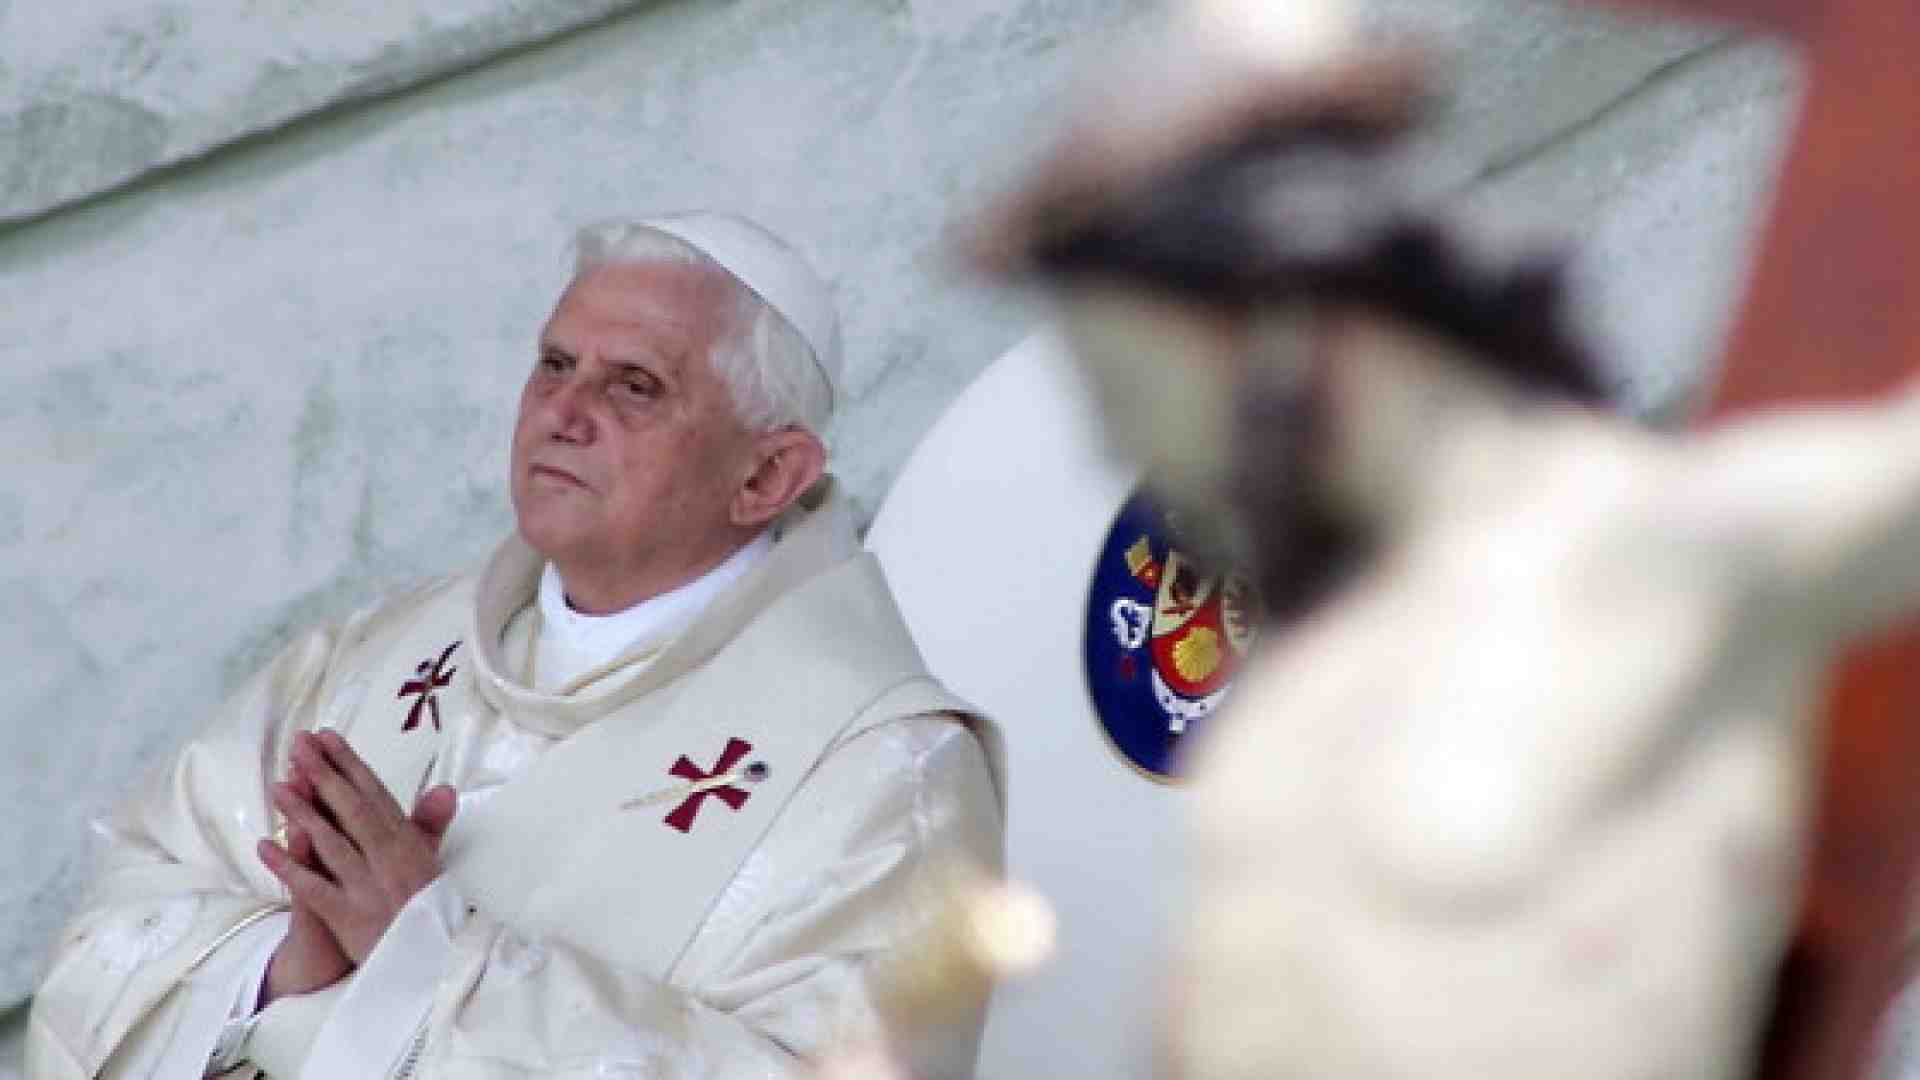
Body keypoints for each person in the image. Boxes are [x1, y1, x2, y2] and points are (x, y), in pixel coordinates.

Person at [972, 2, 1920, 1077]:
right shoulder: (1288, 709)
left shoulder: (1657, 550)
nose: (1126, 451)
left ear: (1301, 341)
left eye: (1139, 393)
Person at [27, 212, 1005, 1079]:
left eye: (635, 386)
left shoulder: (885, 777)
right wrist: (280, 966)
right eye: (554, 364)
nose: (562, 414)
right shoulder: (373, 654)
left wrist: (437, 962)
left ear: (766, 475)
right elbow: (128, 897)